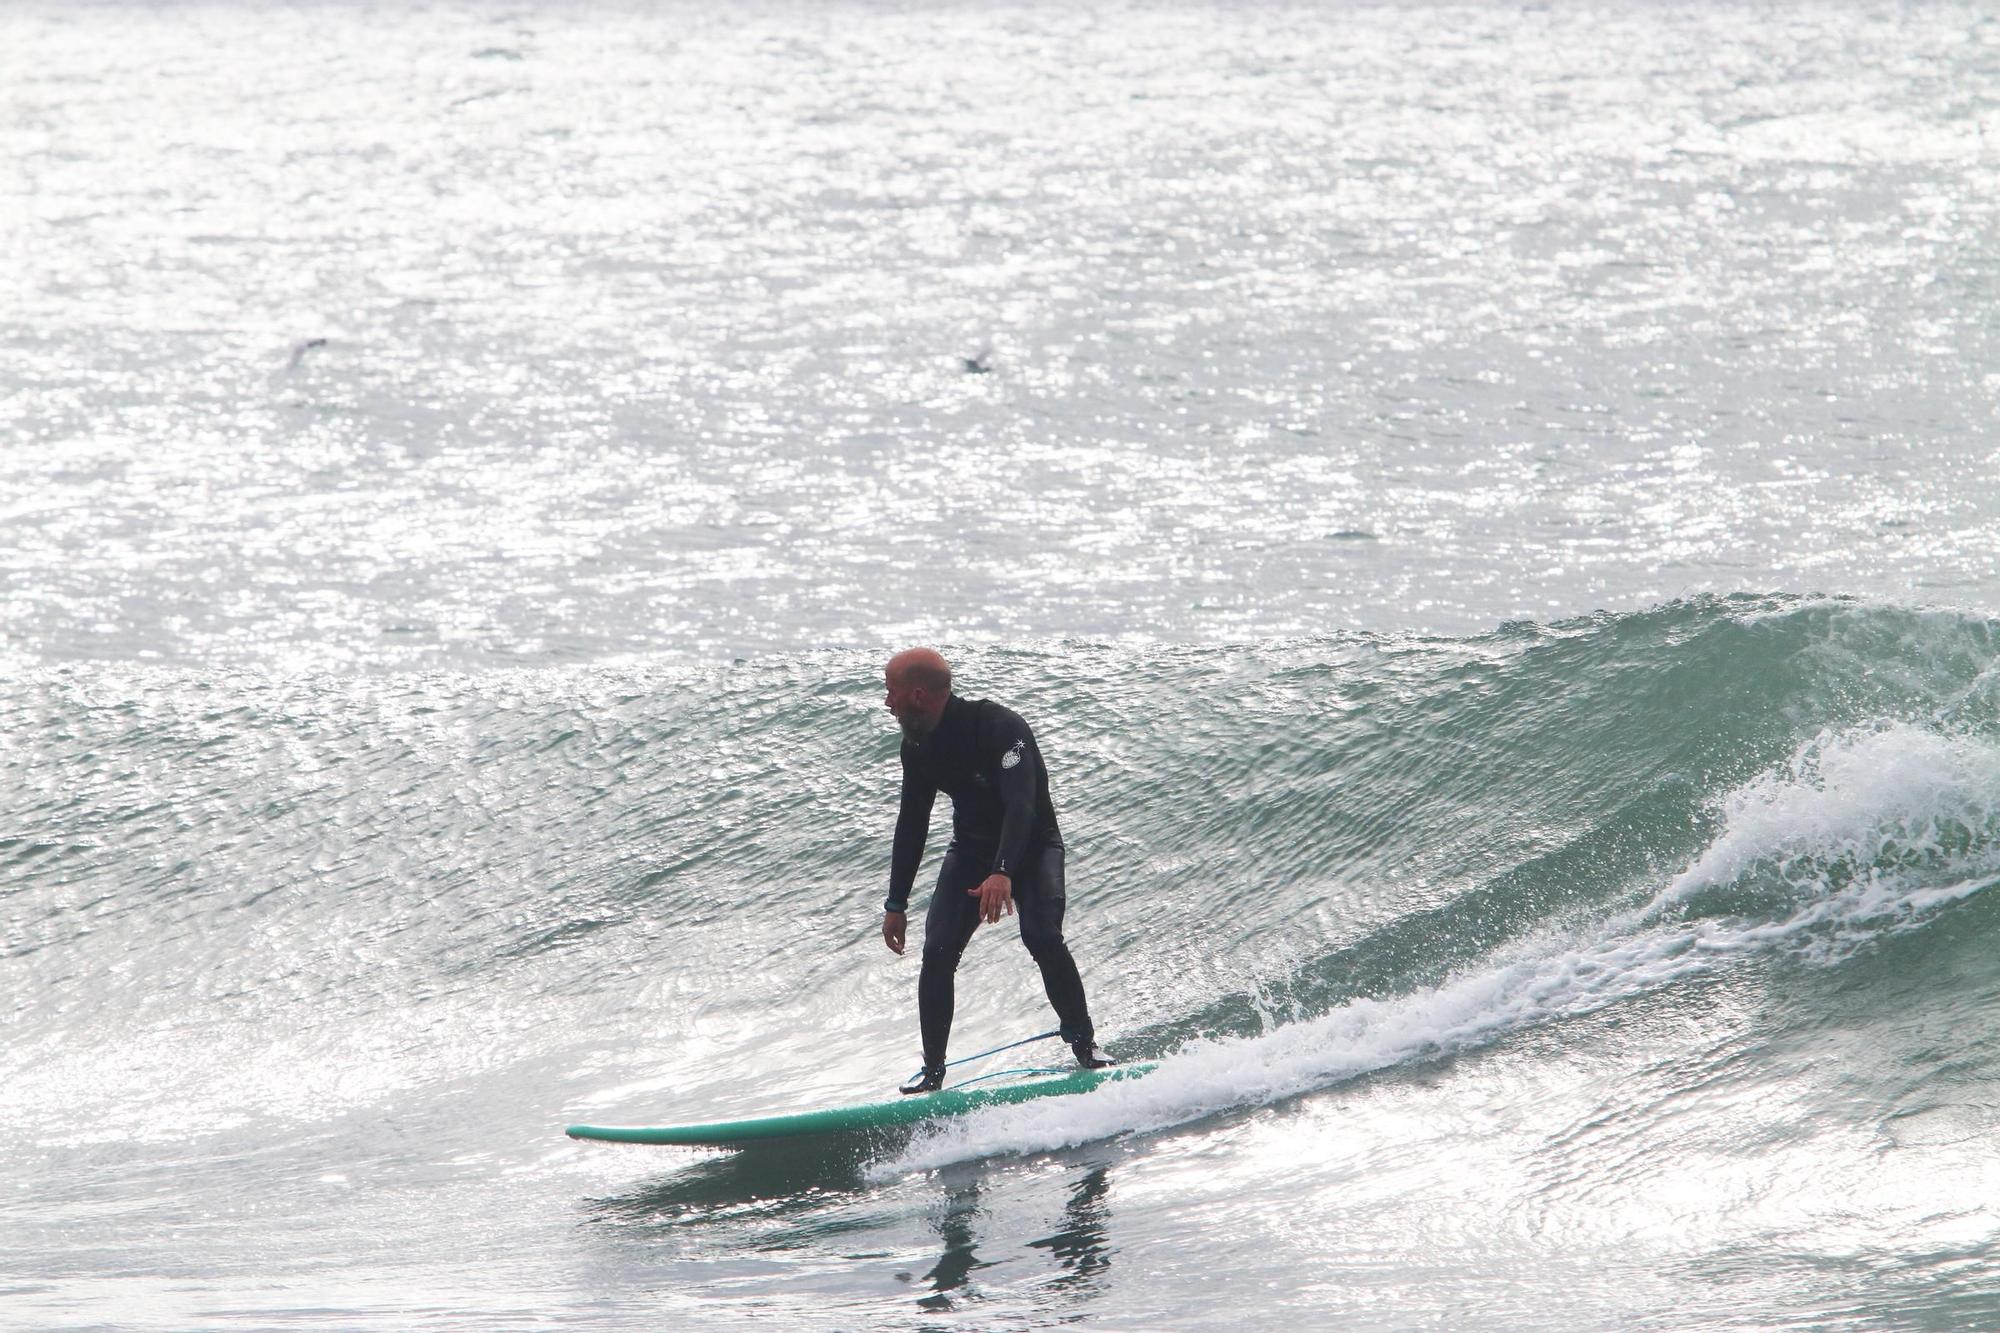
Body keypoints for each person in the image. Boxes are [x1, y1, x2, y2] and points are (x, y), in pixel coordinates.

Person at [880, 647, 1113, 1094]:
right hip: (970, 852)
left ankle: (1086, 1048)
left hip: (1032, 847)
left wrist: (1004, 871)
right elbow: (912, 824)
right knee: (938, 951)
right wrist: (896, 903)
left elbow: (1022, 806)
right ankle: (933, 1074)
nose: (887, 701)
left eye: (890, 691)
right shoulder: (918, 747)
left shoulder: (999, 728)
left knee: (1042, 936)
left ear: (918, 694)